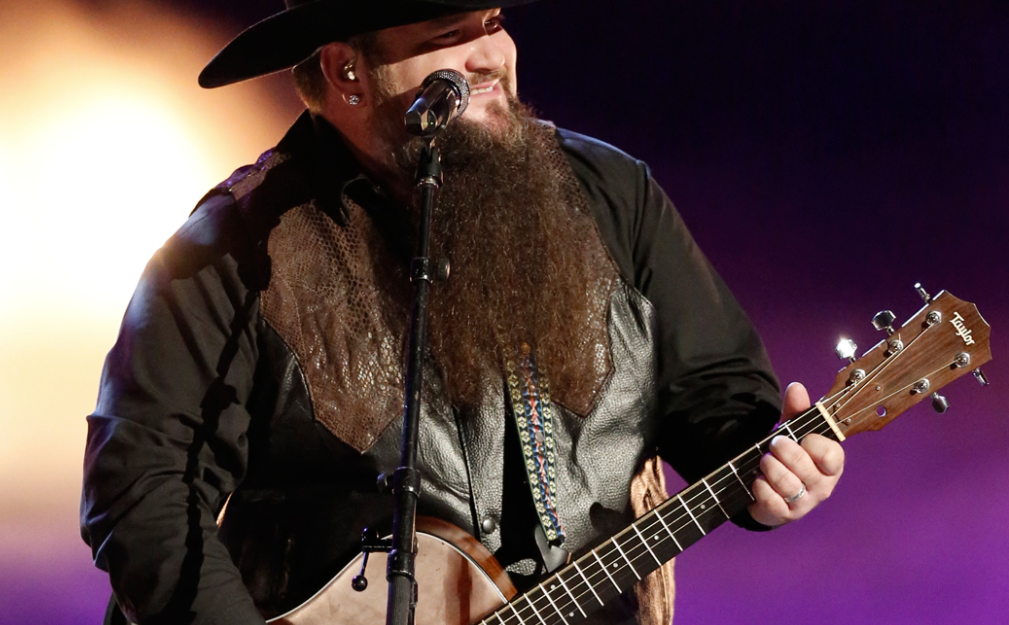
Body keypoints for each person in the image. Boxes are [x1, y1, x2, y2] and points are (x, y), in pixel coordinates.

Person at [80, 1, 845, 623]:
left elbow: (718, 393)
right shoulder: (236, 251)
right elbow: (144, 491)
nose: (492, 56)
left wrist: (768, 467)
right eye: (448, 36)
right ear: (347, 71)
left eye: (491, 22)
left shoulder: (611, 195)